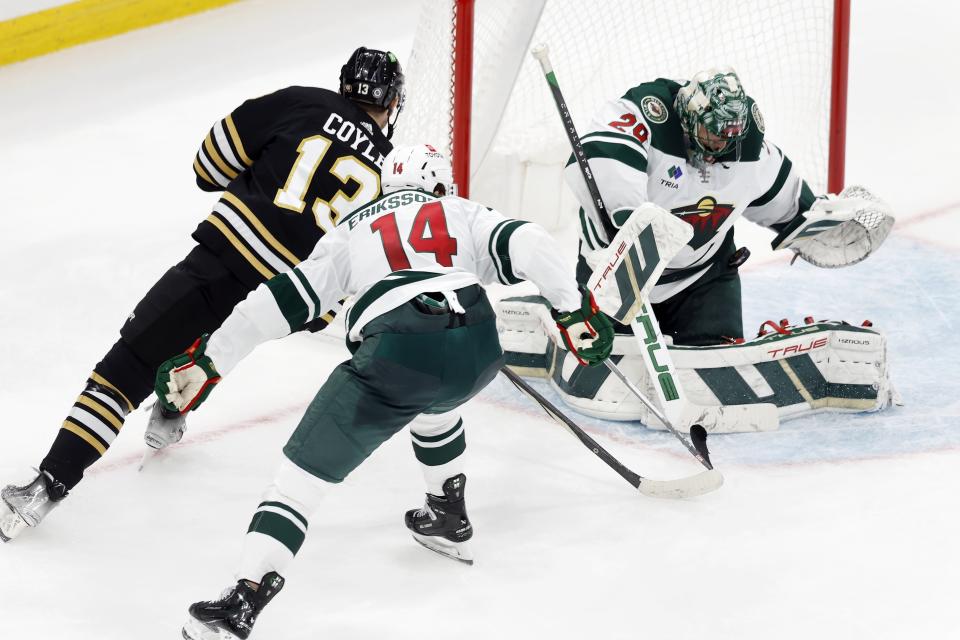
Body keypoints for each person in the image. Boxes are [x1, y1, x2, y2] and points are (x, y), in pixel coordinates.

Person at [154, 144, 613, 640]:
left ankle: (243, 599)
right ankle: (447, 511)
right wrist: (571, 308)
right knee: (436, 402)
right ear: (437, 184)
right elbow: (528, 240)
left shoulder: (352, 229)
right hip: (480, 345)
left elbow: (279, 301)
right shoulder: (458, 209)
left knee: (299, 477)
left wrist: (211, 358)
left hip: (399, 350)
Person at [0, 46, 404, 542]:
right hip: (285, 299)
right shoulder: (392, 172)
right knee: (221, 337)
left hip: (221, 265)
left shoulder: (303, 102)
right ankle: (171, 410)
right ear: (391, 104)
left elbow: (208, 165)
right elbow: (346, 288)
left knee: (125, 369)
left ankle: (46, 487)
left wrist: (260, 181)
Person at [497, 66, 897, 427]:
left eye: (729, 134)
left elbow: (795, 209)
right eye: (711, 131)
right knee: (605, 364)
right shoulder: (646, 115)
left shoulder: (753, 154)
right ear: (688, 116)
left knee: (717, 369)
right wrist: (629, 218)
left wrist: (825, 225)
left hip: (703, 278)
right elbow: (602, 162)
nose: (720, 142)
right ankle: (557, 315)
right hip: (618, 274)